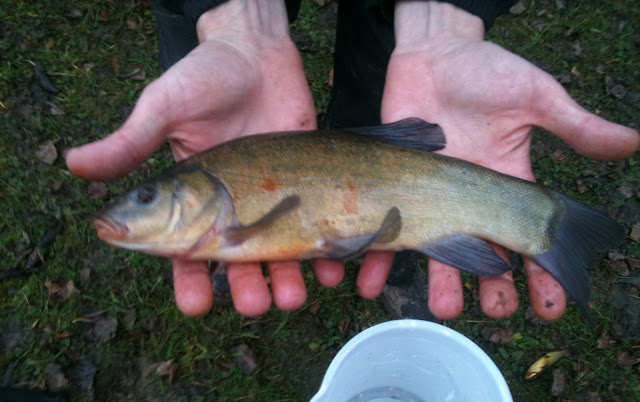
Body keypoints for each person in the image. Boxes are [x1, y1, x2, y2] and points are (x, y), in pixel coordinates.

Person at [65, 0, 639, 321]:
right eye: (145, 197)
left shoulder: (224, 193)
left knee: (379, 67)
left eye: (145, 197)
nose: (133, 204)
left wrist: (441, 14)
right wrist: (238, 15)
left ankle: (522, 227)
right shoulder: (220, 182)